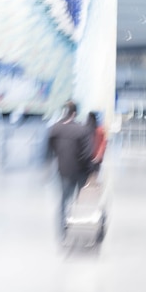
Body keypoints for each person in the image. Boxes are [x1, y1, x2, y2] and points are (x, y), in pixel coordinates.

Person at [47, 101, 93, 238]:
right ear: (74, 113)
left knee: (63, 199)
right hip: (79, 172)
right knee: (79, 200)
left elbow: (51, 148)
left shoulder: (55, 128)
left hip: (63, 170)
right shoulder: (82, 130)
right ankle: (78, 226)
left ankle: (62, 230)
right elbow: (87, 153)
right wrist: (90, 171)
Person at [85, 112, 107, 179]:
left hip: (87, 158)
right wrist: (99, 156)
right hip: (97, 159)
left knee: (87, 177)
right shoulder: (100, 130)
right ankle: (94, 187)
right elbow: (103, 144)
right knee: (95, 175)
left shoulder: (84, 130)